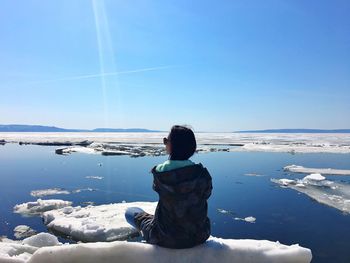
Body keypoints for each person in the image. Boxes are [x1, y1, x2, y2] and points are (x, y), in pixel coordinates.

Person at [125, 125, 213, 249]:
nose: (165, 144)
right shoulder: (203, 174)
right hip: (199, 235)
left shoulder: (161, 173)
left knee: (130, 212)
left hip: (164, 238)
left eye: (166, 141)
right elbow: (207, 194)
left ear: (172, 146)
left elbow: (157, 188)